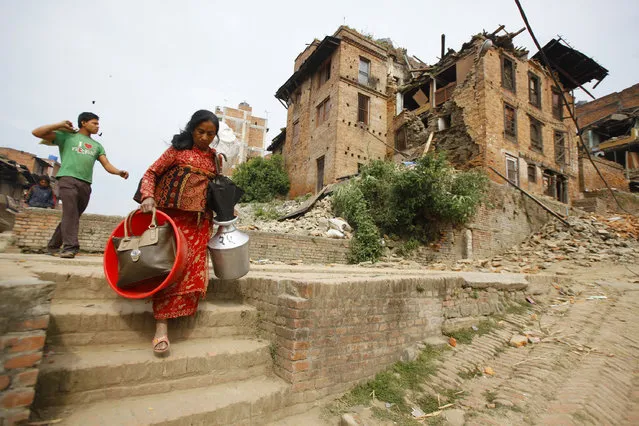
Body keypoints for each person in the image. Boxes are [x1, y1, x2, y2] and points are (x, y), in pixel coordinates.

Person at [138, 109, 221, 356]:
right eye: (201, 132)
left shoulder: (216, 159)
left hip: (200, 223)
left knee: (191, 272)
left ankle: (180, 315)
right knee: (170, 269)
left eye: (211, 134)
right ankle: (161, 327)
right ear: (191, 129)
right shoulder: (177, 151)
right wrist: (148, 196)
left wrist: (228, 207)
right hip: (172, 220)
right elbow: (151, 173)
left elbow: (218, 189)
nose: (205, 137)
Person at [32, 112, 129, 258]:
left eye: (98, 124)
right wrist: (60, 125)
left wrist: (119, 172)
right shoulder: (67, 137)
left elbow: (107, 165)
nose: (97, 126)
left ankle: (53, 246)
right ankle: (70, 247)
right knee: (70, 213)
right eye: (94, 123)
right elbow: (36, 132)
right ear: (83, 123)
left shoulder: (97, 146)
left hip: (85, 185)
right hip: (67, 180)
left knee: (72, 216)